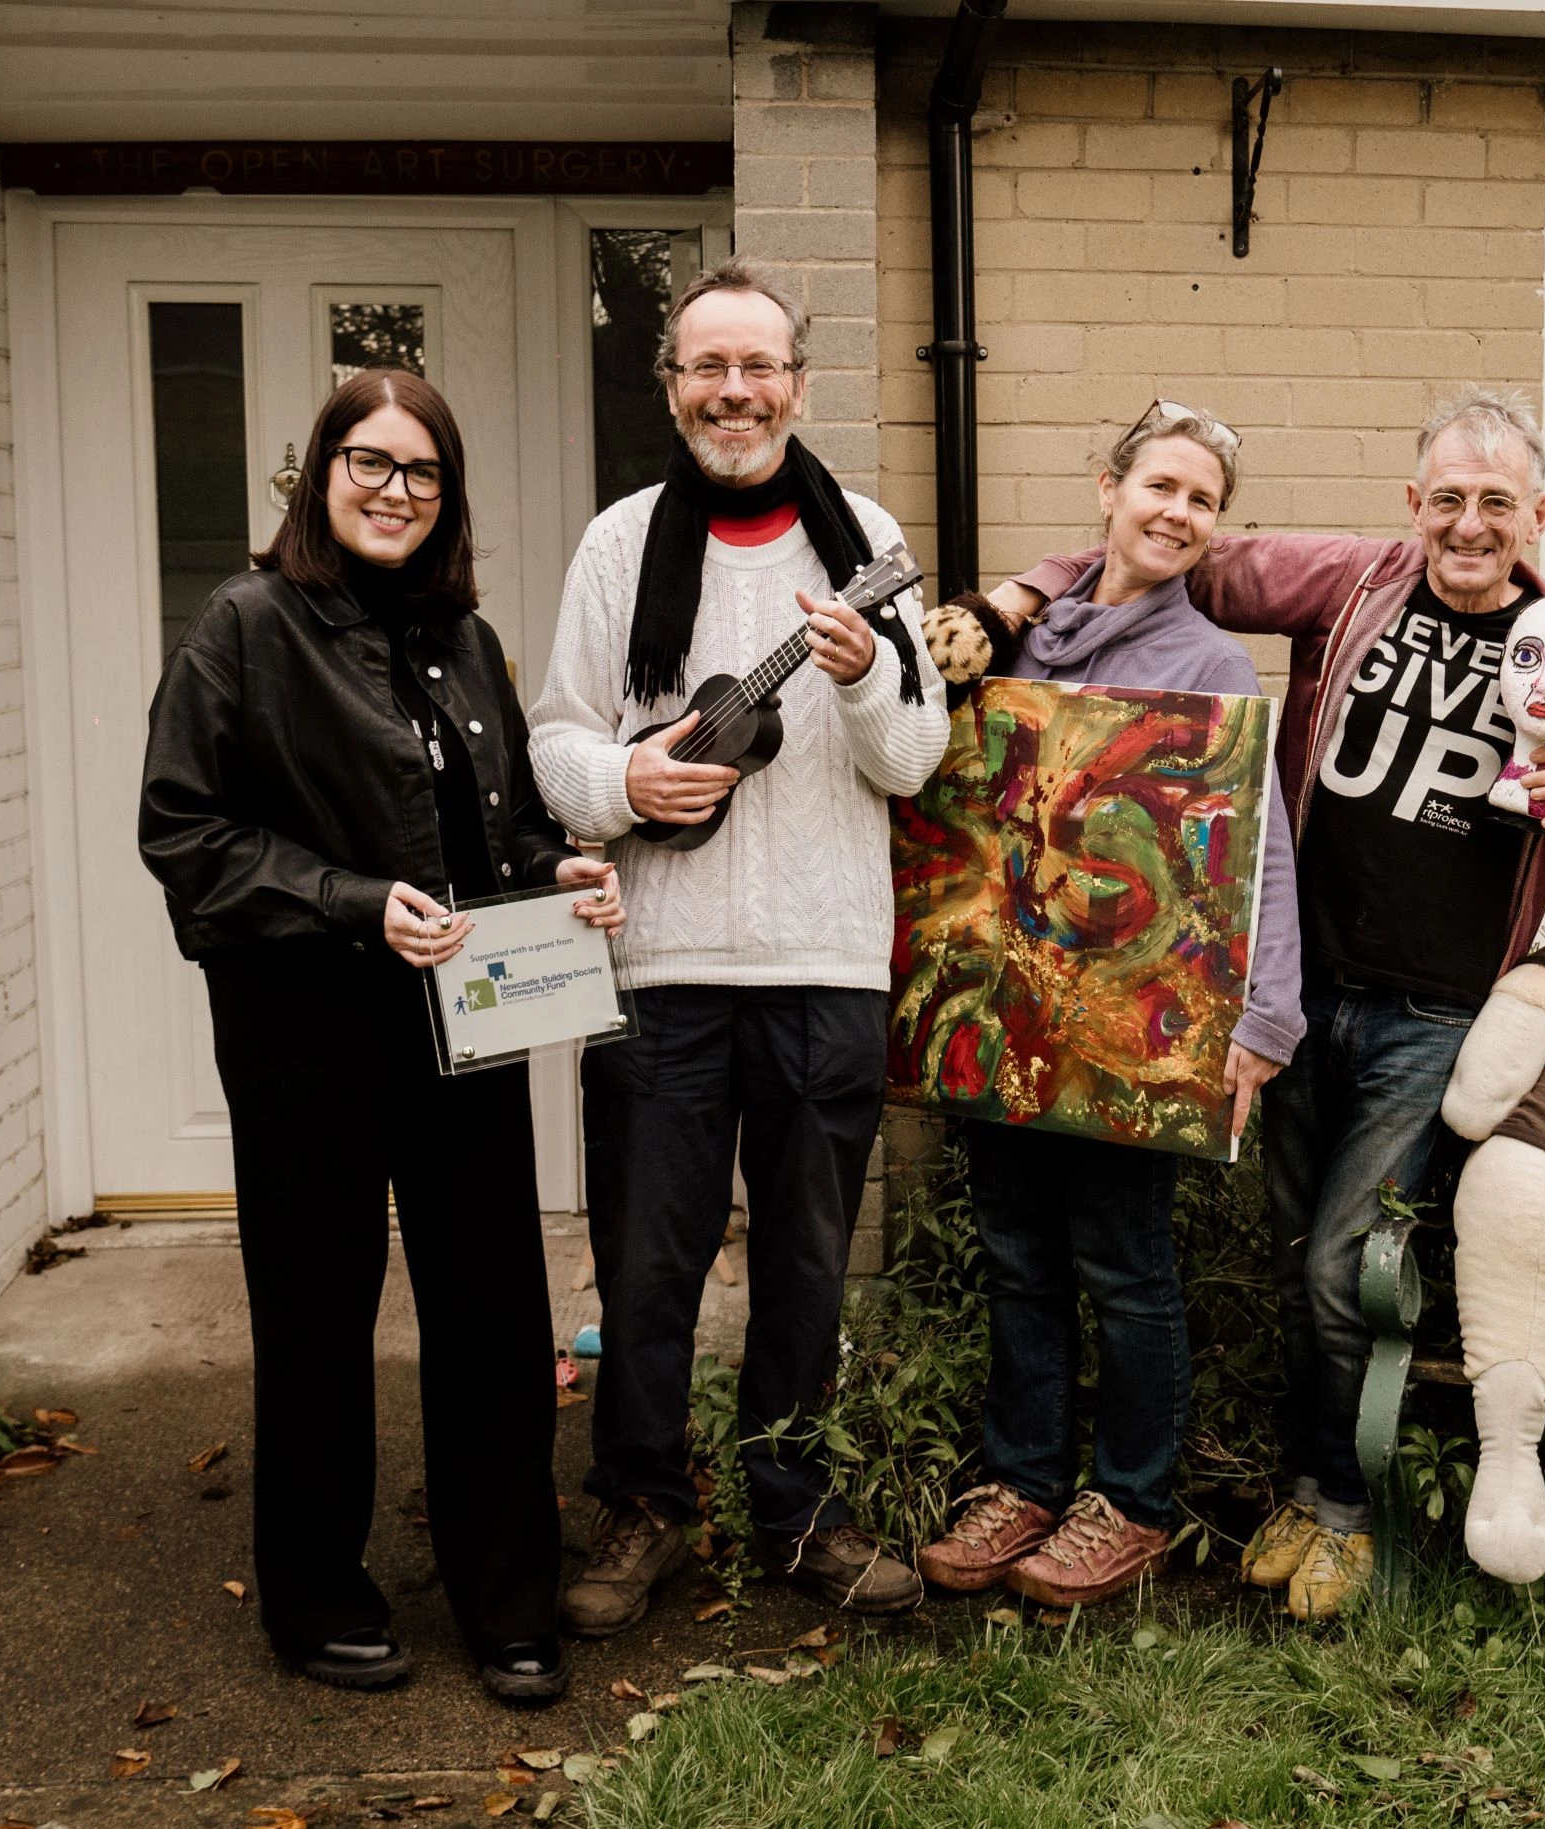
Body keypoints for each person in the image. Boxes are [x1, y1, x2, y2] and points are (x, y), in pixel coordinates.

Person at [992, 388, 1545, 1620]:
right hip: (1298, 992)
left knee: (1344, 1266)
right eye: (1447, 499)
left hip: (1437, 1021)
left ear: (1538, 513)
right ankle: (1300, 1483)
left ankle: (1346, 1508)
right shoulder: (1352, 582)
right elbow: (1168, 550)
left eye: (1496, 503)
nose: (1468, 525)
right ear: (1413, 506)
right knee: (1294, 1262)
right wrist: (1018, 591)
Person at [138, 368, 623, 1700]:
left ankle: (507, 1594)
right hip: (304, 1023)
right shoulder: (245, 623)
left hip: (464, 1013)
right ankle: (313, 1591)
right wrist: (356, 903)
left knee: (491, 1310)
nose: (395, 490)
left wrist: (563, 870)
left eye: (422, 472)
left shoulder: (462, 637)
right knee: (315, 1313)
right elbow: (183, 831)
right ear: (322, 470)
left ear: (446, 496)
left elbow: (502, 828)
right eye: (370, 461)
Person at [530, 258, 950, 1630]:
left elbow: (915, 757)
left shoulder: (865, 537)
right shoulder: (617, 544)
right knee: (649, 1264)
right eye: (707, 366)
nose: (734, 389)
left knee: (807, 1267)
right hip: (659, 967)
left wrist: (868, 670)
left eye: (757, 364)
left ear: (798, 382)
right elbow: (555, 737)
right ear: (673, 387)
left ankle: (797, 1506)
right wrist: (624, 785)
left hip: (826, 966)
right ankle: (644, 1504)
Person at [913, 402, 1302, 1609]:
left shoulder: (1209, 667)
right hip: (1001, 1002)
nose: (1176, 513)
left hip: (1131, 1028)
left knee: (1123, 1265)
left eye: (1202, 501)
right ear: (1107, 489)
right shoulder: (1013, 641)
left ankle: (1130, 1499)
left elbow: (1259, 850)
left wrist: (1265, 1017)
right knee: (1017, 1255)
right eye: (1160, 488)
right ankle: (1024, 1482)